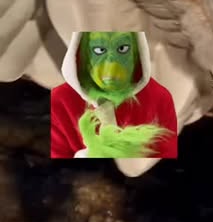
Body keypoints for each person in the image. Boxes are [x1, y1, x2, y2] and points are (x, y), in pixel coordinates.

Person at [50, 31, 178, 159]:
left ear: (137, 53)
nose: (111, 67)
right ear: (83, 54)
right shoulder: (59, 100)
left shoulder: (159, 97)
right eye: (99, 50)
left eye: (122, 49)